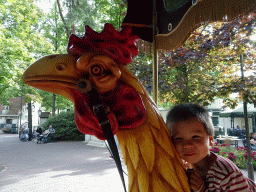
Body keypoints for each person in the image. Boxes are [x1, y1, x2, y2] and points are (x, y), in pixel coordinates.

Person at [166, 103, 256, 192]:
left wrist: (202, 189)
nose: (187, 145)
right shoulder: (182, 166)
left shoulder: (227, 173)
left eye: (195, 137)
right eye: (178, 138)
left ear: (211, 140)